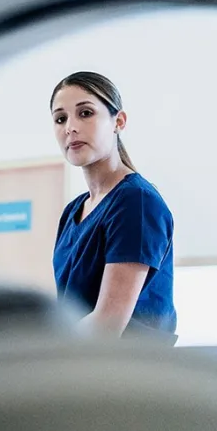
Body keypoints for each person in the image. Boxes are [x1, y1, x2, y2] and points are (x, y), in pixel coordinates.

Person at [50, 71, 177, 342]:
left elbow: (107, 324)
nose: (70, 127)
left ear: (118, 121)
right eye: (60, 118)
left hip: (129, 373)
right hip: (84, 368)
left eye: (85, 113)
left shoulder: (136, 202)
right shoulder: (73, 211)